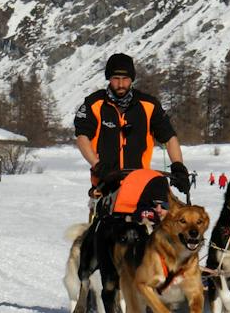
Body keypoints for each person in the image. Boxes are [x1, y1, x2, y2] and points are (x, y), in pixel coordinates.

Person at [72, 53, 187, 203]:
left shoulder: (149, 105)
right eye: (116, 79)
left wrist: (178, 166)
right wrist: (98, 165)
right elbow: (82, 138)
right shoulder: (94, 104)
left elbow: (170, 138)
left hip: (140, 183)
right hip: (104, 184)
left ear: (132, 79)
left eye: (125, 79)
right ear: (109, 79)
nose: (121, 84)